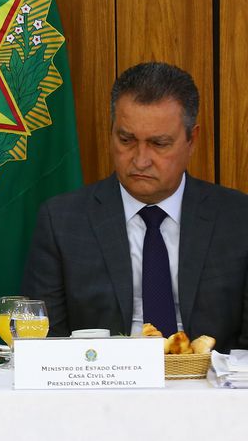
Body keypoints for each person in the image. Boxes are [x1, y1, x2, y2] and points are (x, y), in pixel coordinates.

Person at [23, 62, 248, 352]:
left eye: (159, 143)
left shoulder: (238, 219)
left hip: (210, 387)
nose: (140, 160)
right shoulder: (63, 221)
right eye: (126, 140)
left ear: (192, 141)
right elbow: (43, 343)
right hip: (101, 388)